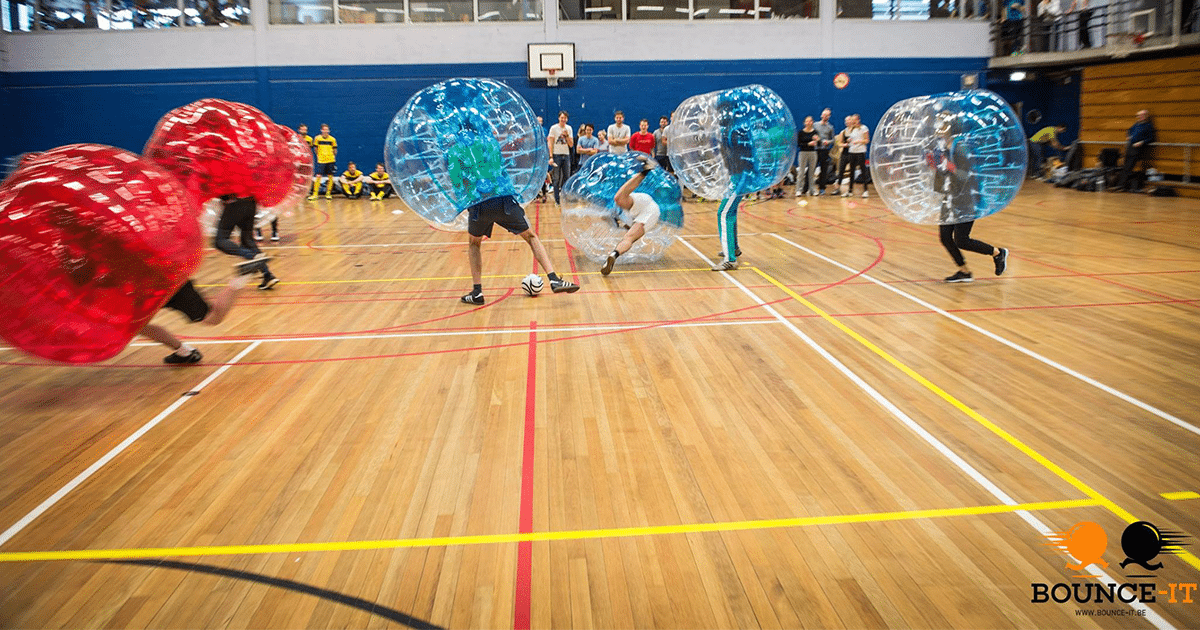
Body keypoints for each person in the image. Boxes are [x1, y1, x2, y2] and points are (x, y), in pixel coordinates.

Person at [446, 119, 580, 304]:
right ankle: (554, 279)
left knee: (474, 243)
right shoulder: (490, 143)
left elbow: (457, 183)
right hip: (503, 199)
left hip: (478, 204)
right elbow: (502, 170)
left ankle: (477, 292)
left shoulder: (454, 151)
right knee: (531, 237)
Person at [926, 112, 1009, 284]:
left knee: (962, 240)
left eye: (941, 124)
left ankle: (997, 253)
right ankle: (964, 271)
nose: (938, 128)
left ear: (950, 127)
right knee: (945, 237)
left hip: (965, 199)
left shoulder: (961, 147)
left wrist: (949, 166)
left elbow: (968, 175)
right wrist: (936, 166)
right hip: (949, 198)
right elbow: (946, 174)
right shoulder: (943, 148)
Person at [140, 266, 263, 364]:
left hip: (143, 286)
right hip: (170, 275)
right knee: (212, 317)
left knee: (135, 325)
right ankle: (242, 278)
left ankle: (184, 351)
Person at [600, 155, 661, 276]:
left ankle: (644, 172)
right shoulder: (621, 217)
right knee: (628, 237)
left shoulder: (616, 213)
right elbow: (628, 227)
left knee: (618, 199)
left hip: (649, 209)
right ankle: (614, 254)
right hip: (640, 207)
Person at [214, 195, 280, 290]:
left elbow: (222, 184)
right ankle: (268, 275)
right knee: (247, 240)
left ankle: (251, 256)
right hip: (250, 202)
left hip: (234, 202)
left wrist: (222, 198)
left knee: (220, 241)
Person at [1115, 110, 1156, 192]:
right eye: (1138, 115)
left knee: (1129, 166)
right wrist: (1128, 136)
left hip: (1138, 149)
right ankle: (1121, 185)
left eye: (1140, 115)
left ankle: (1122, 186)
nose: (1138, 117)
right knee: (1125, 166)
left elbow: (1151, 138)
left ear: (1145, 116)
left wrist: (1141, 142)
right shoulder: (1136, 124)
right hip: (1130, 147)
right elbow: (1129, 130)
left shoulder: (1148, 126)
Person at [546, 111, 574, 205]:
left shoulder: (569, 128)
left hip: (566, 155)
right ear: (559, 118)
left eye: (565, 118)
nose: (563, 120)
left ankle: (565, 198)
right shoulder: (554, 128)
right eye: (562, 118)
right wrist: (551, 156)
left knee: (567, 177)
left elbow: (571, 145)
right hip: (556, 155)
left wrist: (566, 136)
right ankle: (557, 200)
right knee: (556, 178)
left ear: (567, 119)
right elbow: (550, 142)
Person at [841, 114, 870, 198]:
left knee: (863, 170)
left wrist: (859, 141)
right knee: (852, 171)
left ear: (858, 120)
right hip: (852, 151)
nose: (853, 121)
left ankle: (865, 190)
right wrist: (849, 140)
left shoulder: (864, 128)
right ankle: (850, 191)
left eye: (854, 120)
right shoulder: (851, 129)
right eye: (852, 120)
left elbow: (867, 140)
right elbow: (848, 140)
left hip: (860, 152)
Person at [309, 123, 338, 199]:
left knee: (330, 176)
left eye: (327, 129)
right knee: (318, 176)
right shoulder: (317, 138)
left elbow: (335, 150)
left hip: (330, 160)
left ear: (329, 130)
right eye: (324, 129)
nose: (325, 131)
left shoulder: (332, 139)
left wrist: (332, 157)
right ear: (321, 130)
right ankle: (315, 194)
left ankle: (328, 194)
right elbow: (315, 149)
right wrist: (320, 156)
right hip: (321, 161)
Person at [795, 116, 820, 197]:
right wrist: (808, 144)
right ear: (804, 123)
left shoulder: (815, 132)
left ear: (812, 122)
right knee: (801, 172)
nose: (808, 123)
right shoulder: (801, 132)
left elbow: (818, 144)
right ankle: (799, 190)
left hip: (813, 153)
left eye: (810, 121)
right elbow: (799, 144)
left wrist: (817, 140)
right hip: (803, 153)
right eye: (807, 121)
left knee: (812, 173)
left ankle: (812, 189)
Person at [813, 108, 835, 195]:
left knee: (824, 170)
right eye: (824, 114)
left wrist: (828, 142)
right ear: (821, 115)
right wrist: (815, 138)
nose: (825, 116)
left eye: (827, 115)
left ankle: (822, 188)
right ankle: (806, 187)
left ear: (829, 116)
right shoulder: (815, 125)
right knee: (811, 169)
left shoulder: (830, 127)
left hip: (824, 150)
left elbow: (833, 139)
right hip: (815, 150)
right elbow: (811, 134)